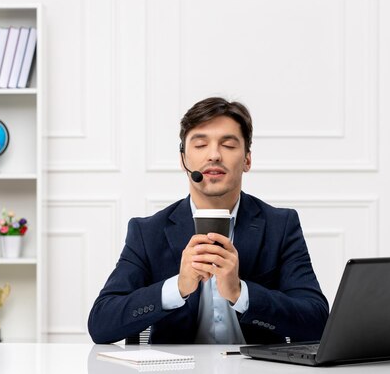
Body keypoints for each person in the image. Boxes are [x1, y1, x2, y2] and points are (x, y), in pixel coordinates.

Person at [88, 97, 328, 344]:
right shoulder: (147, 231)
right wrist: (177, 287)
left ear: (247, 159)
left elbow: (317, 322)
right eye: (201, 144)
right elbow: (101, 324)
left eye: (228, 145)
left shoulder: (281, 225)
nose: (214, 155)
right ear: (183, 160)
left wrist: (240, 293)